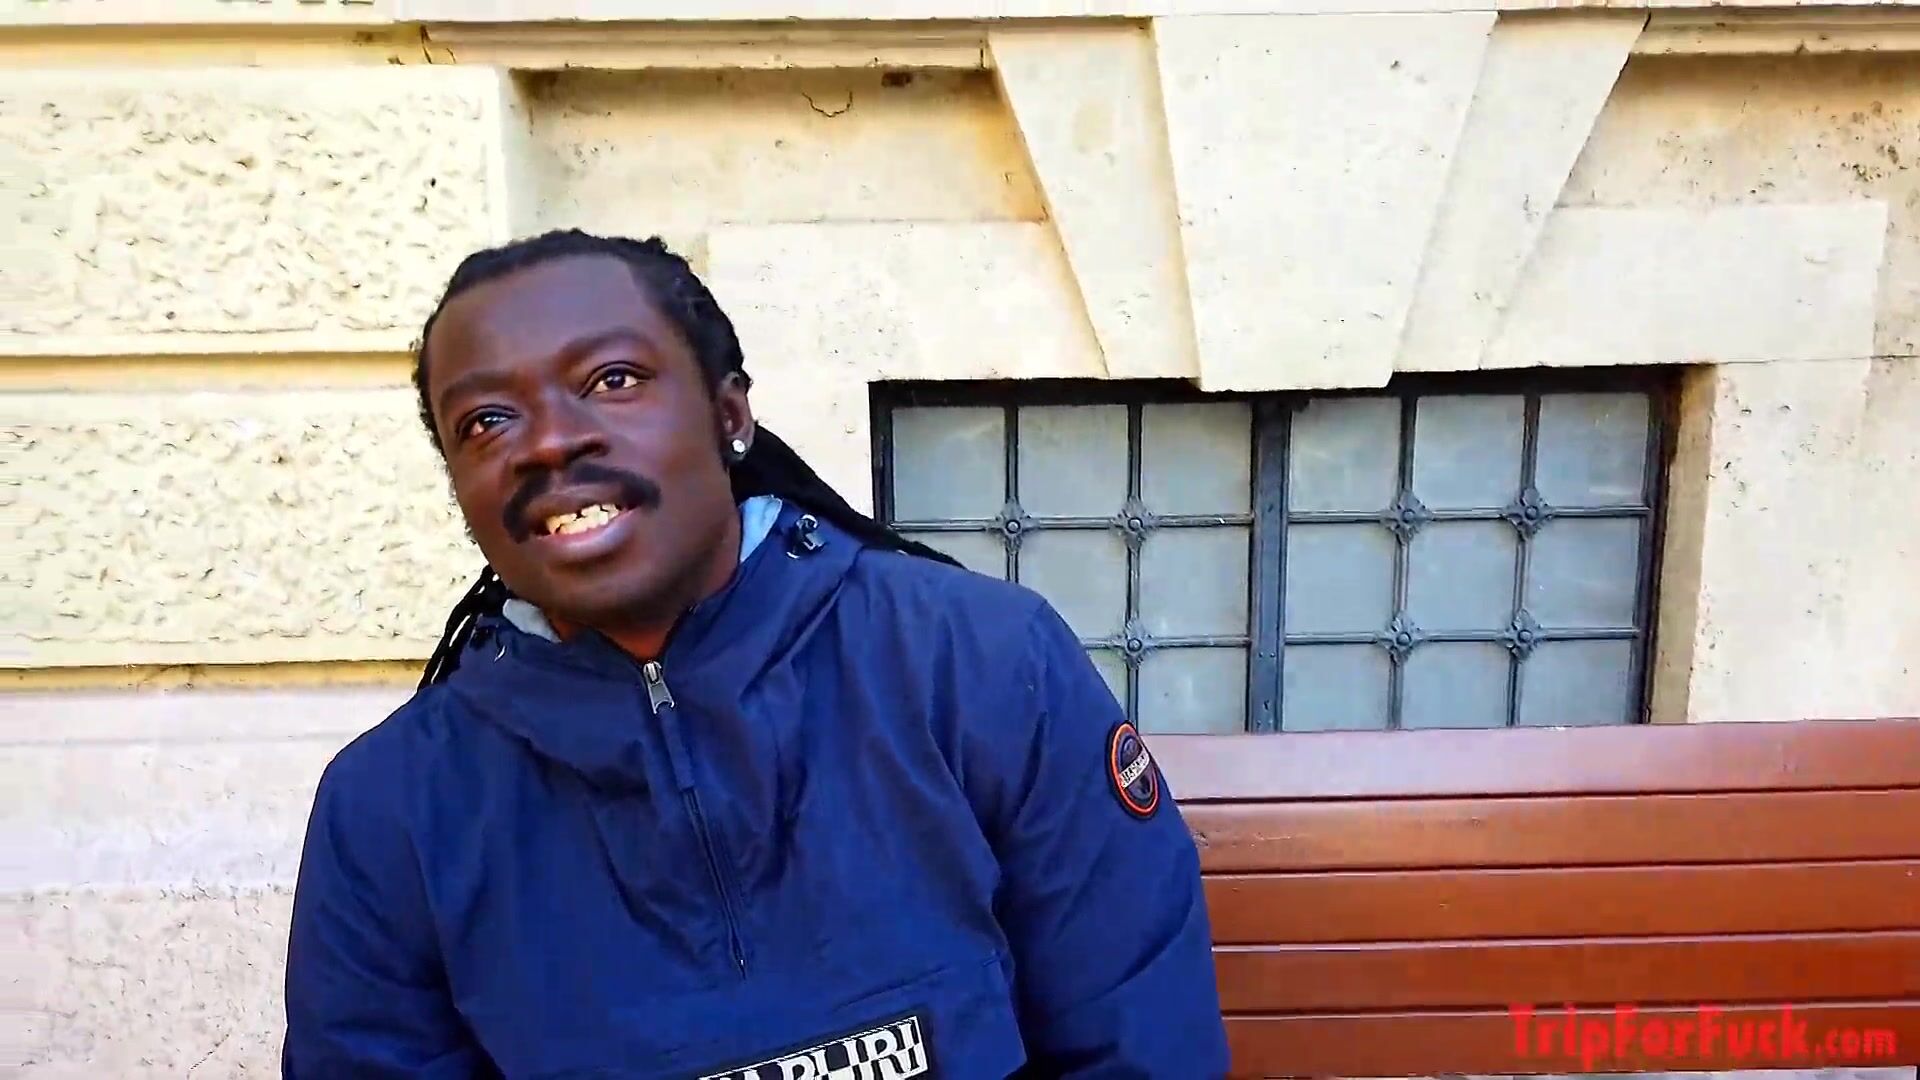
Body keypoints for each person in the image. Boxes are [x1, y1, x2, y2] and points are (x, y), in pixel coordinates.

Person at [281, 228, 1230, 1079]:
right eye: (487, 421)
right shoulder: (392, 807)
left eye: (612, 380)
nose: (551, 443)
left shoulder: (976, 661)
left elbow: (1139, 1041)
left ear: (729, 414)